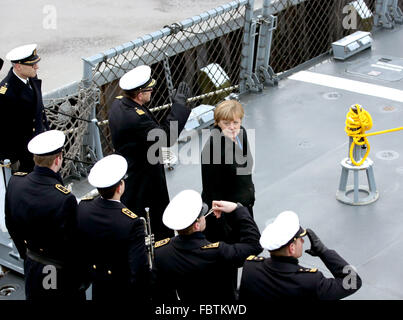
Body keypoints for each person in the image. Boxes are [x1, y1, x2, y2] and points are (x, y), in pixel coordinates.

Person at [108, 65, 191, 241]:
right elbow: (166, 138)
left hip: (129, 167)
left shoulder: (118, 103)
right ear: (139, 94)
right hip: (143, 176)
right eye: (149, 89)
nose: (152, 91)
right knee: (154, 216)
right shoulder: (136, 118)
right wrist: (179, 106)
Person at [4, 130, 85, 300]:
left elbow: (11, 224)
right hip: (59, 274)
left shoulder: (15, 182)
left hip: (32, 264)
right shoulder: (64, 198)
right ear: (58, 159)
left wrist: (27, 255)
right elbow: (73, 247)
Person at [151, 190, 262, 303]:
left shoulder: (161, 251)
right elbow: (254, 245)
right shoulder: (218, 252)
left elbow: (159, 292)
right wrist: (237, 209)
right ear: (197, 225)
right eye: (202, 215)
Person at [239, 210, 362, 301]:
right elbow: (353, 281)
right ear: (291, 248)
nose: (302, 241)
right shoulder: (311, 281)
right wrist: (324, 252)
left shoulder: (251, 267)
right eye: (300, 239)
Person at [77, 154, 150, 302]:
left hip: (98, 281)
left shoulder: (83, 207)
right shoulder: (132, 223)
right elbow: (139, 270)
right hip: (122, 287)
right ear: (120, 187)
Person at [201, 99, 255, 244]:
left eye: (235, 122)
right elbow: (211, 190)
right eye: (226, 123)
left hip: (243, 205)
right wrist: (222, 222)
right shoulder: (212, 150)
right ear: (218, 122)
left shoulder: (241, 133)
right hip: (227, 213)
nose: (232, 127)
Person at [0, 44, 49, 173]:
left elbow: (40, 112)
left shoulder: (31, 78)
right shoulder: (6, 93)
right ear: (18, 66)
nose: (36, 67)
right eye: (33, 65)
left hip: (40, 144)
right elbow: (7, 132)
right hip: (25, 156)